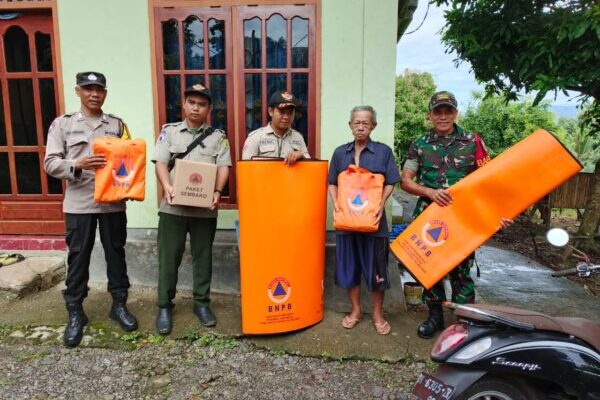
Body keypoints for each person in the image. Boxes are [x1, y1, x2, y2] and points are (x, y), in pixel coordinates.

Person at [401, 91, 511, 339]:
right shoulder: (419, 144)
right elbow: (406, 181)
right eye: (437, 111)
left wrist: (498, 215)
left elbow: (489, 181)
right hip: (429, 217)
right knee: (429, 268)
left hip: (464, 217)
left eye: (447, 111)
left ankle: (465, 320)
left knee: (461, 269)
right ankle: (435, 316)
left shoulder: (473, 141)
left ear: (455, 113)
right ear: (429, 115)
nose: (442, 116)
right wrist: (428, 191)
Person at [44, 71, 138, 347]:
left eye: (99, 89)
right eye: (88, 89)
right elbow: (50, 163)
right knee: (78, 259)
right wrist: (77, 165)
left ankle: (119, 305)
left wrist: (130, 187)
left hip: (112, 204)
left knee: (116, 255)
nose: (94, 94)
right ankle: (75, 312)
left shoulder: (117, 124)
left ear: (105, 93)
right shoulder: (63, 125)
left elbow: (129, 160)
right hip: (79, 204)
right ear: (78, 91)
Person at [152, 84, 231, 335]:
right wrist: (167, 186)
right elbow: (161, 163)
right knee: (168, 258)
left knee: (203, 257)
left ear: (209, 109)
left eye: (202, 104)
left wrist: (217, 192)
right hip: (173, 207)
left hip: (204, 209)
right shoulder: (170, 132)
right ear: (184, 105)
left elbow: (223, 167)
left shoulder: (218, 137)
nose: (196, 108)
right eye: (192, 103)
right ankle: (164, 306)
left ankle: (201, 303)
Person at [327, 105, 401, 336]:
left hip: (374, 224)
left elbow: (391, 181)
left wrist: (381, 204)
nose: (360, 127)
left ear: (373, 126)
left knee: (377, 271)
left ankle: (378, 314)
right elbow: (332, 182)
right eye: (356, 122)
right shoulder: (340, 153)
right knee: (350, 269)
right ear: (350, 125)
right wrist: (336, 203)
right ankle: (356, 310)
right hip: (346, 223)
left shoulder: (383, 152)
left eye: (365, 123)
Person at [242, 90, 310, 164]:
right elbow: (246, 168)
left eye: (290, 113)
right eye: (282, 112)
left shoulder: (298, 137)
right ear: (270, 111)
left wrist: (301, 154)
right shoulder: (255, 137)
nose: (286, 117)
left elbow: (309, 165)